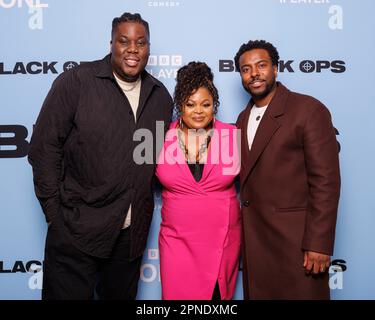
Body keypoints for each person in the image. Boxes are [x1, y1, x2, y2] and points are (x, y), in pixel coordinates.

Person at [28, 12, 173, 300]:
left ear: (148, 48)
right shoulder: (76, 82)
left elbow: (146, 161)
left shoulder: (160, 97)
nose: (133, 49)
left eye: (141, 42)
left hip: (129, 240)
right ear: (111, 44)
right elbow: (44, 148)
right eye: (124, 41)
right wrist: (56, 216)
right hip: (76, 231)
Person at [234, 40, 340, 299]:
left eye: (261, 65)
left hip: (297, 246)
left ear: (276, 69)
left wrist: (319, 243)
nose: (254, 74)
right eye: (246, 69)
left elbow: (325, 181)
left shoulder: (307, 110)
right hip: (256, 246)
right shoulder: (241, 119)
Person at [156, 61, 241, 300]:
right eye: (190, 104)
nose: (198, 111)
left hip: (221, 241)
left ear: (215, 105)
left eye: (206, 104)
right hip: (177, 243)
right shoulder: (160, 136)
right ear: (179, 105)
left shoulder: (231, 135)